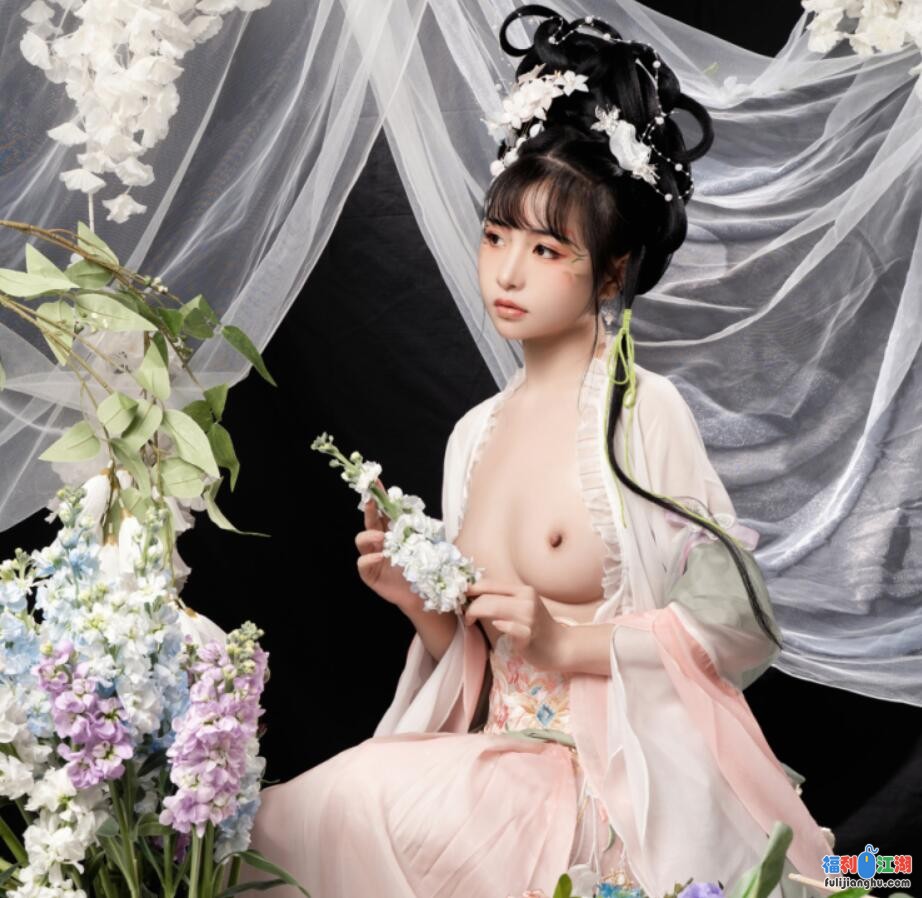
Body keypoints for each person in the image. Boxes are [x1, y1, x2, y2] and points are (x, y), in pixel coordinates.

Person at [240, 6, 835, 897]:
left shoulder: (642, 414)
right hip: (499, 764)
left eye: (547, 249)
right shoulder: (473, 435)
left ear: (611, 271)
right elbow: (482, 669)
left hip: (611, 779)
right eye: (495, 236)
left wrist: (570, 638)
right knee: (275, 832)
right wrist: (423, 609)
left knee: (344, 805)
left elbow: (738, 628)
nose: (507, 271)